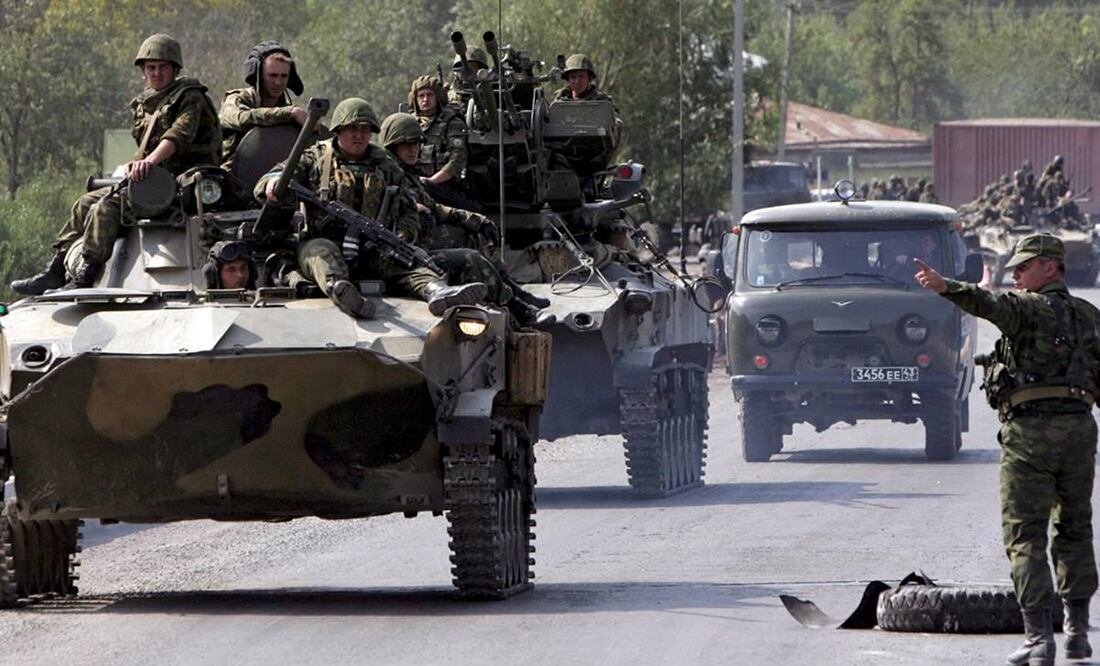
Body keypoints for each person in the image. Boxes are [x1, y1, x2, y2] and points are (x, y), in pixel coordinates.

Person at [914, 234, 1100, 666]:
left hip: (1030, 433)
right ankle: (1077, 632)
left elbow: (989, 304)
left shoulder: (1027, 308)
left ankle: (1039, 637)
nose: (1015, 275)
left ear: (1051, 267)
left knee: (1024, 534)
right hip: (1078, 431)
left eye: (1024, 267)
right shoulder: (1090, 316)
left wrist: (947, 287)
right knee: (1075, 528)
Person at [13, 34, 221, 295]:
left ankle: (87, 272)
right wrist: (133, 166)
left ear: (175, 69)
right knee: (84, 204)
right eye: (151, 68)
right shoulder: (149, 103)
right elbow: (146, 149)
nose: (156, 73)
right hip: (155, 180)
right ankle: (55, 270)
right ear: (143, 72)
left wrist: (147, 162)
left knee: (106, 207)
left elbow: (177, 137)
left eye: (163, 67)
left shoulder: (190, 97)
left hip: (189, 181)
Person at [255, 97, 486, 319]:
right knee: (319, 251)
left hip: (373, 247)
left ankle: (437, 291)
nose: (359, 135)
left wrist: (403, 235)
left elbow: (408, 210)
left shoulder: (386, 165)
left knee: (410, 260)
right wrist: (274, 181)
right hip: (324, 241)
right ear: (339, 130)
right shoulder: (316, 157)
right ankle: (341, 289)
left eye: (365, 130)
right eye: (353, 129)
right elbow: (273, 178)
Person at [379, 112, 550, 325]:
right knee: (469, 257)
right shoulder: (385, 176)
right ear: (392, 146)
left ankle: (514, 292)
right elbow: (401, 210)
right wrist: (417, 211)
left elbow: (435, 208)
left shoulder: (407, 175)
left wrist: (474, 219)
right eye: (406, 144)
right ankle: (517, 308)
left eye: (415, 143)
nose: (413, 149)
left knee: (472, 237)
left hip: (416, 248)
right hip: (402, 254)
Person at [220, 41, 307, 167]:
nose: (278, 82)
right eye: (272, 75)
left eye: (284, 76)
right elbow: (240, 118)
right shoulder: (238, 99)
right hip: (232, 175)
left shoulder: (290, 112)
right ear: (259, 75)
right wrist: (288, 113)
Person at [408, 75, 468, 195]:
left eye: (430, 95)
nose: (425, 99)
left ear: (438, 97)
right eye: (421, 95)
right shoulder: (409, 123)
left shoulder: (452, 122)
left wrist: (431, 181)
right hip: (413, 185)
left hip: (445, 187)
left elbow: (458, 158)